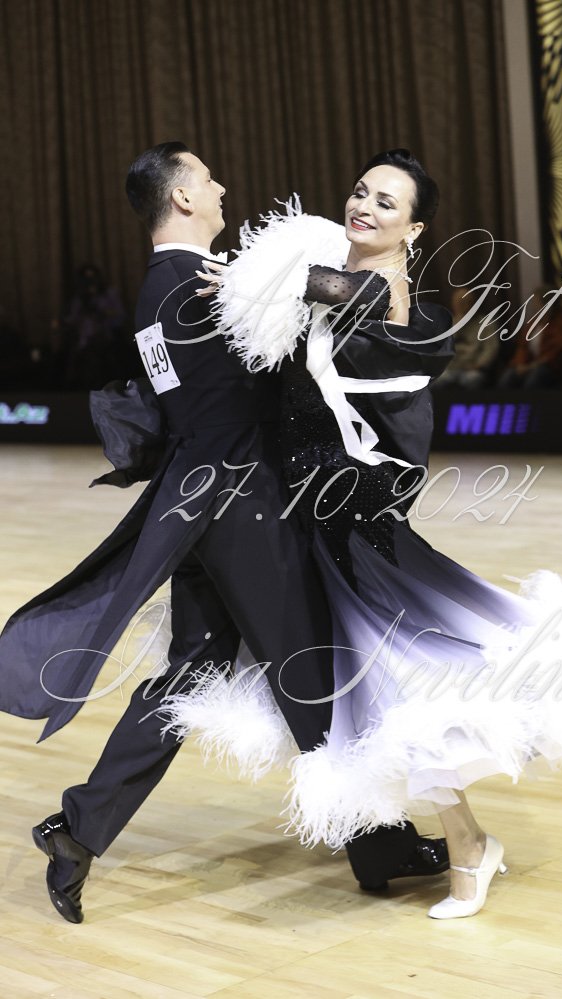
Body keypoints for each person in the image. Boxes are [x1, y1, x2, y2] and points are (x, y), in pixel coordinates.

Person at [173, 149, 562, 920]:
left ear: (413, 230)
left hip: (356, 528)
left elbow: (329, 291)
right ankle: (406, 844)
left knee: (406, 692)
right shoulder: (323, 272)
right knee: (365, 696)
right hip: (303, 517)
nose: (365, 206)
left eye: (388, 203)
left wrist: (248, 277)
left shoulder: (384, 290)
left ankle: (468, 846)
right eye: (360, 191)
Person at [0, 143, 447, 924]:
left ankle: (79, 827)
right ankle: (378, 844)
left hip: (201, 507)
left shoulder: (159, 288)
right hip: (244, 507)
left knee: (192, 674)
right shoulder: (201, 287)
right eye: (207, 180)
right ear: (181, 198)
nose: (221, 187)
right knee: (314, 677)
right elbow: (345, 318)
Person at [497, 285, 562, 388]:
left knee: (533, 379)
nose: (534, 306)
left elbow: (556, 352)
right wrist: (520, 363)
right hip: (529, 363)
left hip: (550, 366)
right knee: (508, 377)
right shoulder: (534, 322)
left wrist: (531, 367)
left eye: (536, 302)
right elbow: (522, 346)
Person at [432, 287, 498, 389]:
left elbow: (490, 349)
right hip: (451, 369)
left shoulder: (486, 324)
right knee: (435, 381)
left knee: (470, 380)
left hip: (473, 368)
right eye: (458, 303)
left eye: (465, 302)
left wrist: (478, 365)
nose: (461, 306)